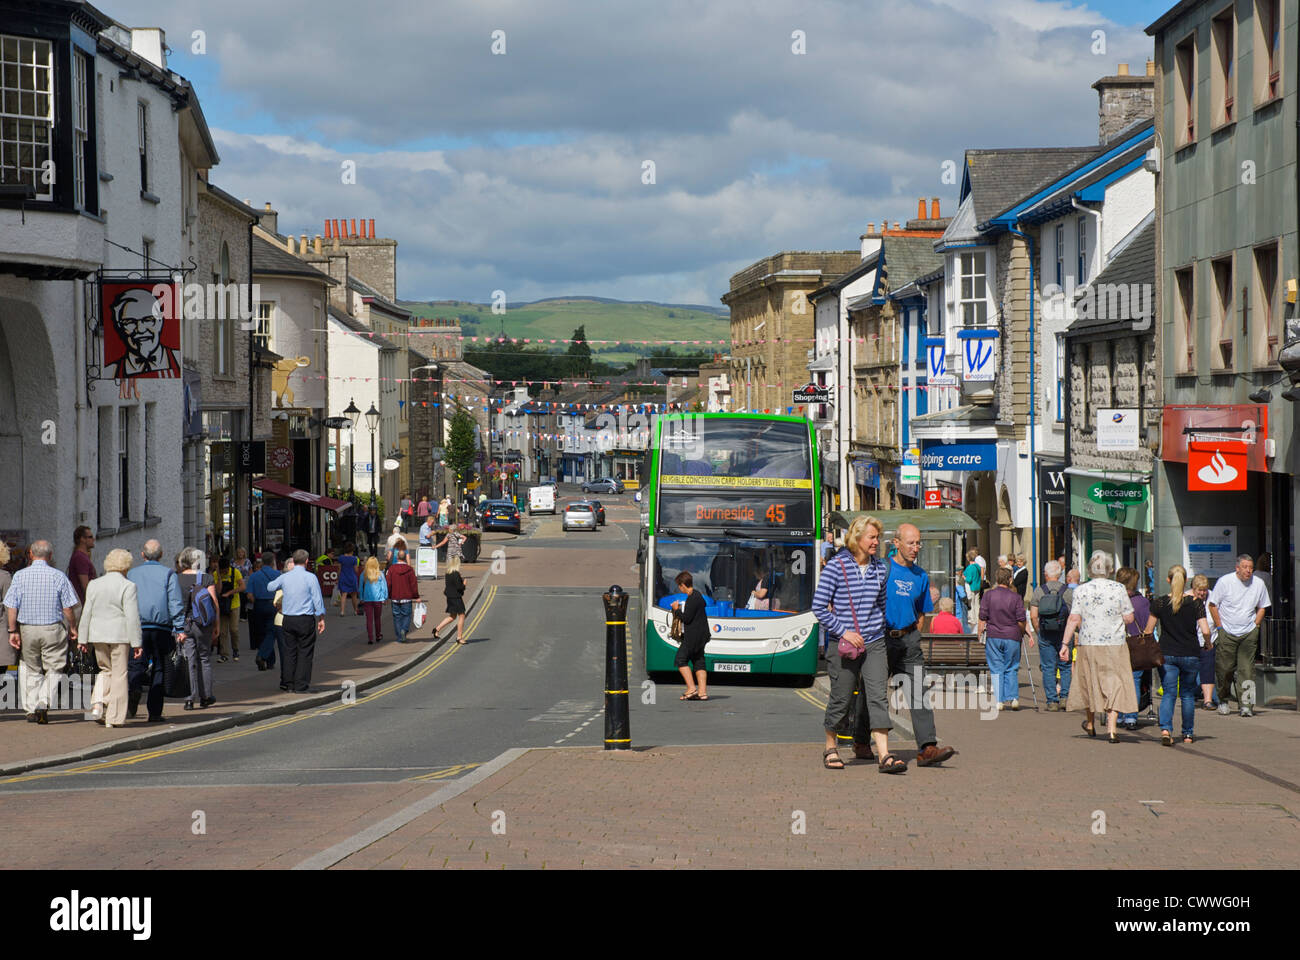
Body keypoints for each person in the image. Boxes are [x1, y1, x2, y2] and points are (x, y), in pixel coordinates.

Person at [812, 516, 898, 772]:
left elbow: (881, 604)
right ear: (857, 538)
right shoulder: (836, 567)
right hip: (844, 644)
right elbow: (819, 607)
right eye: (872, 537)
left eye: (877, 537)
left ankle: (884, 755)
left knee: (878, 697)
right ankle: (831, 747)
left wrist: (876, 628)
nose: (876, 542)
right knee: (842, 698)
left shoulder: (881, 568)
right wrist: (844, 631)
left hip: (874, 642)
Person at [883, 522, 957, 765]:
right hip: (881, 639)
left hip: (909, 641)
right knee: (872, 694)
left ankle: (927, 748)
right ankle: (862, 740)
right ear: (896, 544)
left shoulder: (921, 575)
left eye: (918, 543)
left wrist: (914, 634)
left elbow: (923, 612)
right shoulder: (882, 569)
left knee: (918, 694)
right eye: (911, 543)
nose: (916, 548)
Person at [1059, 551, 1137, 743]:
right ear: (1110, 569)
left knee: (1089, 682)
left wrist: (1064, 644)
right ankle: (1111, 729)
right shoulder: (1119, 589)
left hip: (1089, 642)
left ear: (1090, 569)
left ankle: (1091, 722)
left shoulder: (1081, 590)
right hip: (1114, 643)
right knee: (1115, 683)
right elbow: (1129, 617)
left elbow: (1074, 618)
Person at [4, 540, 79, 724]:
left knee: (31, 668)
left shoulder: (20, 576)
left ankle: (30, 709)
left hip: (27, 628)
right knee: (54, 667)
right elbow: (69, 607)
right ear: (50, 556)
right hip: (52, 627)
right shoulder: (59, 576)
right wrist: (73, 627)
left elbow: (11, 606)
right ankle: (44, 701)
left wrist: (12, 630)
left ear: (30, 554)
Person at [76, 549, 143, 728]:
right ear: (126, 566)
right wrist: (137, 643)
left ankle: (98, 704)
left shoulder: (94, 584)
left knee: (105, 670)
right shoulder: (128, 586)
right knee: (120, 675)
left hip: (97, 635)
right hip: (120, 635)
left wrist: (82, 639)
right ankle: (114, 717)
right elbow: (132, 616)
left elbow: (86, 613)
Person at [1146, 565, 1211, 746]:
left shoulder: (1159, 603)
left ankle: (1166, 729)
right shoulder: (1195, 603)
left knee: (1169, 693)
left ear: (1168, 580)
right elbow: (1205, 629)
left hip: (1167, 653)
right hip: (1190, 653)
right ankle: (1188, 733)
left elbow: (1148, 630)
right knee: (1188, 695)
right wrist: (1208, 643)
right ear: (1186, 581)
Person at [126, 539, 185, 722]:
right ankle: (154, 712)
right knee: (159, 667)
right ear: (161, 555)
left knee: (136, 664)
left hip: (137, 627)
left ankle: (133, 689)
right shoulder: (168, 574)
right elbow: (175, 603)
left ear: (142, 555)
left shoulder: (131, 574)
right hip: (161, 628)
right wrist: (180, 627)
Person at [1207, 553, 1270, 717]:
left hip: (1248, 632)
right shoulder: (1225, 582)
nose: (1248, 571)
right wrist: (1220, 627)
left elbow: (1263, 606)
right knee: (1225, 668)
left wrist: (1256, 625)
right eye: (1245, 567)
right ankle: (1223, 700)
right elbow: (1213, 605)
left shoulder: (1258, 584)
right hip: (1227, 631)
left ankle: (1247, 705)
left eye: (1250, 568)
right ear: (1237, 568)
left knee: (1247, 670)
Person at [267, 549, 327, 693]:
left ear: (293, 561)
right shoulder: (310, 577)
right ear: (307, 561)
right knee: (305, 652)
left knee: (289, 652)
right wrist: (321, 618)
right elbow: (317, 599)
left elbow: (270, 587)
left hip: (288, 620)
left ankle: (288, 684)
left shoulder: (285, 577)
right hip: (305, 619)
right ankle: (301, 685)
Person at [980, 566, 1034, 711]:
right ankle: (1014, 698)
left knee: (996, 668)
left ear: (996, 579)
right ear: (1010, 580)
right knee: (1012, 667)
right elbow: (1021, 619)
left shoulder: (988, 595)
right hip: (1012, 635)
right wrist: (1024, 632)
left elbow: (982, 617)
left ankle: (999, 700)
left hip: (994, 635)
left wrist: (980, 634)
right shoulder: (1016, 598)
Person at [177, 547, 218, 710]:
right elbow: (214, 602)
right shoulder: (206, 578)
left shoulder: (175, 579)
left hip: (183, 624)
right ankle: (206, 696)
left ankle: (189, 699)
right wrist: (217, 626)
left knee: (189, 660)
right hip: (203, 624)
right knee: (204, 658)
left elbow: (173, 604)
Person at [1029, 560, 1072, 711]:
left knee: (1048, 667)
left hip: (1046, 633)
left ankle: (1052, 701)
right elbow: (1073, 615)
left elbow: (1034, 616)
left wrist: (1038, 630)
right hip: (1064, 633)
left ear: (1046, 575)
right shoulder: (1068, 592)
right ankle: (1065, 698)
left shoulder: (1039, 591)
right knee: (1065, 666)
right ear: (1060, 575)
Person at [1116, 567, 1151, 730]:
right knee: (1134, 681)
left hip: (1118, 644)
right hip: (1138, 645)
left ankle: (1119, 715)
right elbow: (1148, 626)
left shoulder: (1115, 599)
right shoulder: (1143, 602)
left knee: (1118, 682)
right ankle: (1131, 717)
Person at [670, 570, 710, 702]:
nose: (679, 588)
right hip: (702, 636)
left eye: (679, 586)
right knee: (699, 661)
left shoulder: (692, 598)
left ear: (683, 585)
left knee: (680, 659)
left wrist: (676, 609)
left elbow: (686, 618)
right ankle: (702, 693)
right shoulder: (698, 595)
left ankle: (691, 688)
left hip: (693, 637)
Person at [245, 552, 281, 672]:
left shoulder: (254, 576)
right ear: (272, 562)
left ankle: (270, 662)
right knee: (271, 632)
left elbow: (249, 595)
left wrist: (257, 601)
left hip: (259, 605)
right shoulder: (278, 574)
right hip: (273, 605)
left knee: (262, 633)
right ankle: (262, 656)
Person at [1192, 575, 1217, 710]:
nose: (1202, 593)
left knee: (1207, 670)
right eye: (1199, 590)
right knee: (1192, 672)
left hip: (1209, 640)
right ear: (1193, 589)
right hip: (1191, 641)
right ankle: (1193, 695)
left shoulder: (1213, 598)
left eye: (1204, 590)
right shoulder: (1187, 598)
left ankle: (1207, 700)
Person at [385, 549, 420, 643]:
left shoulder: (391, 569)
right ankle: (404, 630)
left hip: (395, 597)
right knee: (407, 616)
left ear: (397, 558)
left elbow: (388, 584)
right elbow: (413, 584)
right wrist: (416, 596)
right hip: (407, 597)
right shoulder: (410, 570)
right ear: (405, 558)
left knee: (397, 617)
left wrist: (387, 596)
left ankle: (399, 637)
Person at [433, 555, 468, 644]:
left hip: (450, 597)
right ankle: (459, 637)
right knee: (462, 615)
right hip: (456, 598)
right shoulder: (456, 573)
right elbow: (459, 587)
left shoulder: (448, 573)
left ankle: (436, 629)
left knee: (452, 616)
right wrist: (464, 584)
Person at [215, 556, 243, 663]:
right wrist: (219, 576)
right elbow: (218, 591)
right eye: (222, 571)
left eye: (225, 570)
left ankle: (235, 650)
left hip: (234, 605)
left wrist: (230, 593)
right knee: (222, 632)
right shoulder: (217, 574)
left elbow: (242, 586)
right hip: (222, 606)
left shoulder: (235, 572)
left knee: (234, 629)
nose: (225, 572)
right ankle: (224, 654)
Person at [360, 556, 389, 644]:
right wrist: (385, 597)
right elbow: (384, 587)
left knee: (369, 619)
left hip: (367, 599)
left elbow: (360, 587)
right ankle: (378, 635)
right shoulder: (380, 574)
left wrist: (361, 598)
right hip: (378, 599)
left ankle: (370, 637)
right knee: (377, 618)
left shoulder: (364, 574)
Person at [67, 524, 97, 606]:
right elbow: (85, 586)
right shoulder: (80, 558)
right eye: (90, 537)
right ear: (82, 539)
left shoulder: (81, 556)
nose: (93, 539)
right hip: (83, 603)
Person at [335, 543, 361, 617]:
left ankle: (342, 611)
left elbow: (339, 570)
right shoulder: (354, 559)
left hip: (343, 577)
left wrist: (337, 578)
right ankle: (356, 610)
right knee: (354, 595)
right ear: (352, 550)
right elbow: (356, 570)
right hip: (352, 578)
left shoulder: (341, 558)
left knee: (344, 595)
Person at [962, 549, 983, 631]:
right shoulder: (978, 566)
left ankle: (972, 618)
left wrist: (964, 578)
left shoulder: (970, 567)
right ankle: (978, 617)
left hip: (971, 587)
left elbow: (969, 579)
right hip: (977, 586)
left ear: (968, 558)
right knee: (977, 603)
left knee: (972, 604)